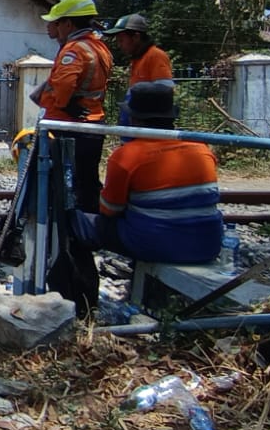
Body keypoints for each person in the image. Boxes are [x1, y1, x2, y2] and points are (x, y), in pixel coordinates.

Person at [62, 83, 223, 314]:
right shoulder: (202, 149)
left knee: (73, 225)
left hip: (155, 243)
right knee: (146, 216)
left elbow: (109, 211)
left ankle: (83, 306)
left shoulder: (127, 156)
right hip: (208, 244)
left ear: (134, 119)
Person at [34, 0, 112, 213]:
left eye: (57, 23)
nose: (53, 28)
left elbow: (64, 84)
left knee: (61, 181)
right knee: (87, 182)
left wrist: (63, 102)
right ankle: (88, 232)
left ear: (68, 23)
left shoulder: (74, 49)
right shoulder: (99, 47)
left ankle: (68, 235)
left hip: (68, 125)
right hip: (93, 122)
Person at [103, 13, 174, 132]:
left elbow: (164, 93)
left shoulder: (155, 56)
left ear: (136, 37)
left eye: (121, 40)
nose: (119, 45)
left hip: (148, 129)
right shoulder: (137, 59)